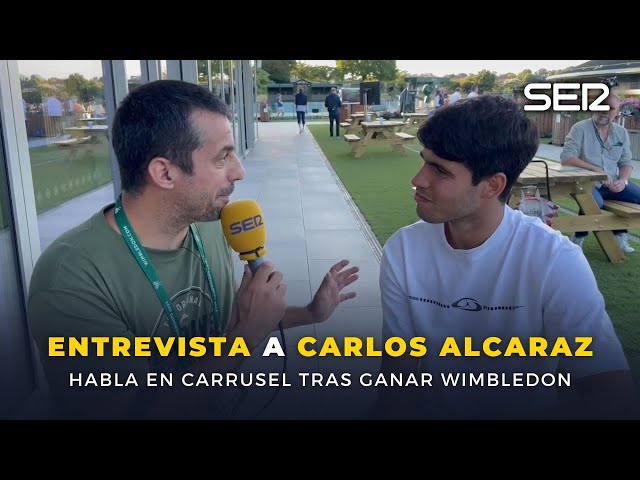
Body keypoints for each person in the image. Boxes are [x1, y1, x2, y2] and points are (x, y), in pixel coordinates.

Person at [27, 80, 359, 420]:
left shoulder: (210, 226)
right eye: (223, 157)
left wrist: (309, 314)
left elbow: (219, 327)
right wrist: (248, 335)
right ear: (164, 173)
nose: (239, 172)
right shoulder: (70, 278)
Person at [375, 94, 638, 420]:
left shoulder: (555, 262)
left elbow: (611, 393)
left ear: (492, 186)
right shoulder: (403, 250)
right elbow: (398, 372)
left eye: (439, 171)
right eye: (424, 161)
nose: (417, 180)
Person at [560, 93, 638, 254]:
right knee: (595, 202)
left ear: (617, 111)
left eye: (610, 108)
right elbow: (566, 158)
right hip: (585, 183)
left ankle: (620, 234)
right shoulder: (579, 128)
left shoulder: (621, 133)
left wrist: (623, 180)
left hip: (612, 183)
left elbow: (626, 163)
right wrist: (597, 171)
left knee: (636, 195)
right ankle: (579, 237)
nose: (604, 111)